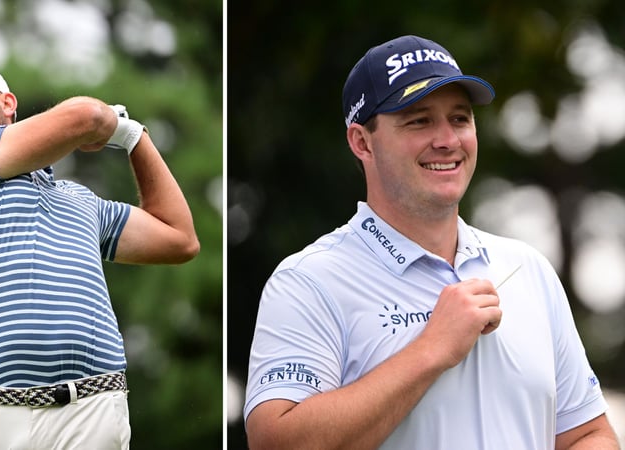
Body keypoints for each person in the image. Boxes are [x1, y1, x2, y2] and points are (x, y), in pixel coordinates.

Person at [243, 35, 620, 449]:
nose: (447, 140)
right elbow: (276, 442)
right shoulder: (309, 281)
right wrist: (431, 349)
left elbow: (586, 433)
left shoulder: (527, 268)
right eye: (419, 120)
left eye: (460, 119)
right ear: (361, 142)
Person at [0, 57, 199, 449]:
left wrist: (132, 137)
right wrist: (108, 121)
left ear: (8, 104)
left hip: (91, 411)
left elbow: (179, 240)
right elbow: (87, 117)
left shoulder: (79, 200)